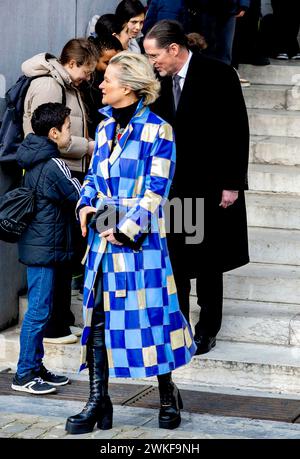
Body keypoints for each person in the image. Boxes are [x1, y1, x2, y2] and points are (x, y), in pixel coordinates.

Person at [65, 51, 196, 434]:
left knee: (152, 319)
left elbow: (158, 190)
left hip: (141, 243)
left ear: (130, 86)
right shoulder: (105, 128)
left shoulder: (160, 131)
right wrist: (86, 205)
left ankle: (168, 394)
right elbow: (93, 178)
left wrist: (127, 228)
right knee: (98, 320)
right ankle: (97, 402)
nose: (101, 84)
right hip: (102, 242)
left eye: (108, 79)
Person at [144, 20, 249, 355]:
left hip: (211, 185)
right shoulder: (159, 83)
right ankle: (180, 325)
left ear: (174, 49)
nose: (153, 62)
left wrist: (232, 183)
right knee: (177, 258)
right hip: (175, 188)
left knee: (208, 261)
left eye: (155, 54)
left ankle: (208, 327)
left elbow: (236, 130)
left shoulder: (218, 74)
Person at [22, 38, 98, 344]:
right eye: (87, 71)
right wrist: (92, 146)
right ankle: (54, 324)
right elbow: (46, 137)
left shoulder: (67, 85)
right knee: (57, 252)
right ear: (72, 64)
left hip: (68, 171)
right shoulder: (50, 86)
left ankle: (60, 320)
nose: (88, 78)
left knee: (66, 251)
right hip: (57, 176)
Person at [11, 103, 81, 395]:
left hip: (39, 244)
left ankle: (36, 366)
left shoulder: (33, 156)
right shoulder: (54, 164)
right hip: (45, 247)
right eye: (67, 128)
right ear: (54, 133)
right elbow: (77, 194)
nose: (70, 134)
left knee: (41, 309)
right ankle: (24, 373)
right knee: (38, 312)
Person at [83, 35, 123, 139]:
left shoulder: (121, 80)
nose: (112, 67)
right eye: (107, 63)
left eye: (118, 62)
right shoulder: (85, 84)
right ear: (95, 60)